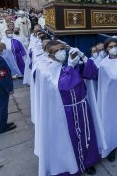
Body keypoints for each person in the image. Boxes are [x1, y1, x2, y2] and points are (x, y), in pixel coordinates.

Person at [36, 41, 101, 175]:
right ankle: (74, 165)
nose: (61, 52)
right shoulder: (46, 69)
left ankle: (88, 161)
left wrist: (83, 57)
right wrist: (71, 67)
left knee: (86, 135)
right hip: (65, 111)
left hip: (82, 106)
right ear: (50, 54)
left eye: (62, 49)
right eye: (56, 51)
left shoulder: (72, 62)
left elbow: (93, 73)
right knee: (71, 139)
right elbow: (63, 86)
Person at [0, 42, 16, 134]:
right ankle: (2, 127)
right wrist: (9, 89)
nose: (3, 50)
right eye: (3, 48)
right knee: (2, 108)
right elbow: (2, 76)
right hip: (0, 89)